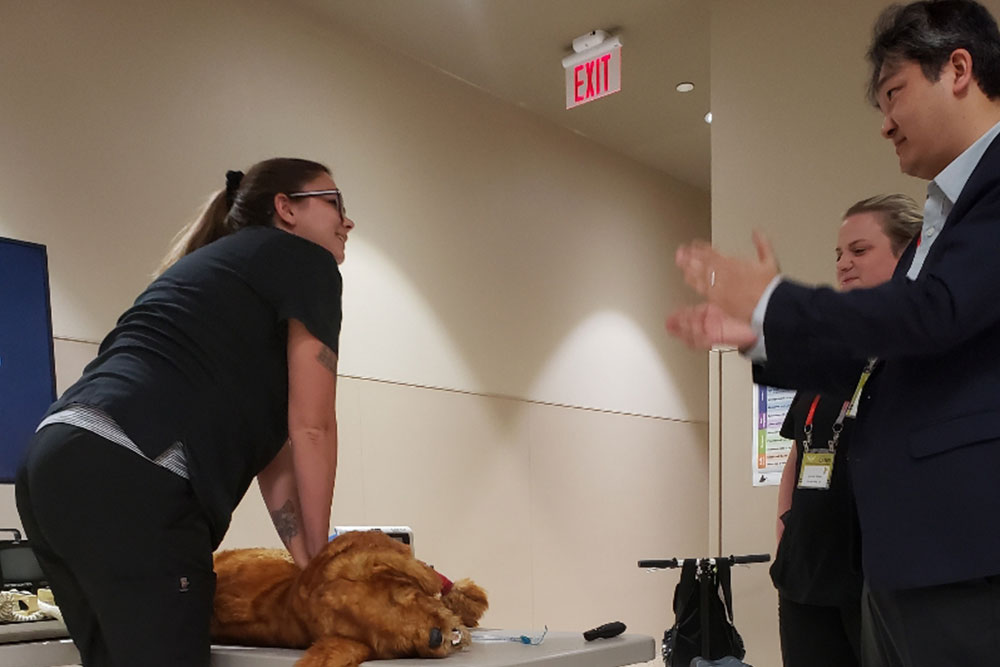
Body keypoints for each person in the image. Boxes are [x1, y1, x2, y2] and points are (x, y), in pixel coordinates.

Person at [666, 1, 1000, 664]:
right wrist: (755, 331)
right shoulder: (945, 214)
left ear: (958, 68)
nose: (885, 124)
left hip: (965, 554)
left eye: (894, 93)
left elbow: (931, 314)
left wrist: (775, 303)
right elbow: (881, 363)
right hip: (903, 562)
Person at [15, 157, 355, 667]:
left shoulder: (220, 277)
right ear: (286, 209)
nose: (347, 221)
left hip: (51, 465)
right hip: (132, 473)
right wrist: (328, 571)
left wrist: (307, 562)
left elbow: (276, 456)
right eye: (334, 204)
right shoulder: (305, 262)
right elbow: (312, 427)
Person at [770, 195, 921, 667]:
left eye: (859, 250)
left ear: (909, 251)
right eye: (838, 254)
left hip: (877, 579)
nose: (843, 264)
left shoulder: (918, 350)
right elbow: (798, 456)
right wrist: (783, 541)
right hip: (805, 573)